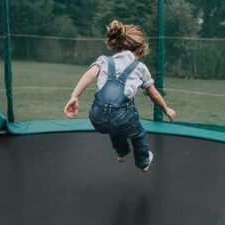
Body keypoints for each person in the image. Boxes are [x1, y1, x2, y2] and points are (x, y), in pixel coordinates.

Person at [64, 20, 176, 173]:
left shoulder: (104, 60)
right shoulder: (140, 68)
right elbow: (154, 94)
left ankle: (121, 152)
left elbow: (89, 74)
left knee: (112, 123)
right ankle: (144, 162)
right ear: (140, 50)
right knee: (137, 134)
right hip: (121, 119)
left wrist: (74, 96)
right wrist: (166, 109)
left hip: (96, 118)